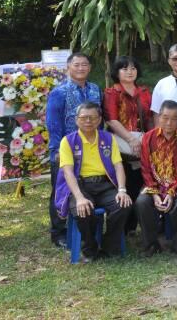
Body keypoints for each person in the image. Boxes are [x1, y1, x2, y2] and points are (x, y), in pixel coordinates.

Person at [53, 102, 131, 262]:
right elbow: (67, 172)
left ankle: (109, 245)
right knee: (83, 209)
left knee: (124, 205)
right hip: (79, 185)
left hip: (105, 184)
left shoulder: (108, 138)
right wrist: (80, 197)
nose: (88, 121)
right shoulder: (67, 141)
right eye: (83, 118)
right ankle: (89, 247)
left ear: (99, 119)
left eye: (92, 117)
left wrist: (122, 190)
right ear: (76, 120)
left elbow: (118, 166)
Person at [46, 52, 102, 248]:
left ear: (90, 67)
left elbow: (99, 120)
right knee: (61, 190)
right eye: (76, 64)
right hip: (65, 150)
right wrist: (56, 150)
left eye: (84, 64)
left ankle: (86, 226)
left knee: (86, 187)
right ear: (69, 67)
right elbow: (53, 124)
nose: (81, 68)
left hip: (91, 149)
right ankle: (58, 232)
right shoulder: (59, 92)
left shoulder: (95, 89)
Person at [136, 100, 177, 257]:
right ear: (159, 117)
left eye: (174, 118)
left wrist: (171, 192)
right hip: (154, 183)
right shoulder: (148, 137)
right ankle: (151, 244)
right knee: (142, 202)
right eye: (165, 117)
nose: (169, 122)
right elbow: (146, 168)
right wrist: (154, 193)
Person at [102, 55, 152, 233]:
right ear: (116, 72)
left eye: (133, 68)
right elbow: (111, 120)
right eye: (124, 68)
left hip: (142, 143)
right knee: (123, 183)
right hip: (120, 145)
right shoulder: (112, 92)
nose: (130, 72)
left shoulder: (144, 92)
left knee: (140, 182)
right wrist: (131, 140)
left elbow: (149, 118)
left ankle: (133, 225)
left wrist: (148, 140)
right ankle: (120, 228)